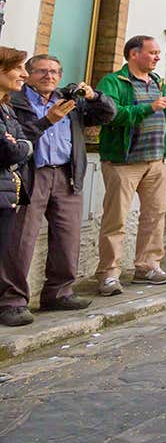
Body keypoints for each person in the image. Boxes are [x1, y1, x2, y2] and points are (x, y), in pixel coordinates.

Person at [0, 55, 115, 326]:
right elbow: (17, 136)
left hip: (66, 173)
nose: (48, 76)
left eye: (54, 72)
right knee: (21, 240)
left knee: (68, 236)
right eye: (41, 71)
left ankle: (59, 293)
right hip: (32, 173)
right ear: (28, 74)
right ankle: (12, 301)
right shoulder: (16, 100)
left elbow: (108, 115)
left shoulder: (70, 100)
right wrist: (49, 120)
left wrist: (95, 96)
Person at [95, 36, 166, 297]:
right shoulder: (114, 82)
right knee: (115, 219)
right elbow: (111, 115)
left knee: (154, 215)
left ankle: (147, 266)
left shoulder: (158, 82)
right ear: (133, 54)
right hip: (123, 161)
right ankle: (109, 274)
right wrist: (147, 108)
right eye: (152, 53)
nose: (157, 57)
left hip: (155, 160)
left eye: (159, 53)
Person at [0, 48, 33, 263]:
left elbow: (25, 147)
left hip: (6, 197)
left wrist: (19, 145)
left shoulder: (7, 108)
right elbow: (8, 150)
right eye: (18, 68)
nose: (25, 74)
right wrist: (17, 146)